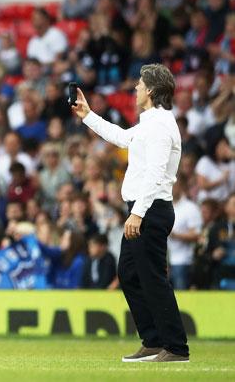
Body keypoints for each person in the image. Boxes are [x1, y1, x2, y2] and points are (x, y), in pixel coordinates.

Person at [72, 63, 189, 362]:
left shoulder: (161, 125)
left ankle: (175, 347)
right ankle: (153, 340)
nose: (135, 88)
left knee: (151, 277)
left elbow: (156, 173)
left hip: (149, 209)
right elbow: (123, 138)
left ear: (150, 90)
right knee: (129, 273)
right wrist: (89, 116)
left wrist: (138, 213)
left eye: (139, 84)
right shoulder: (151, 122)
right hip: (142, 209)